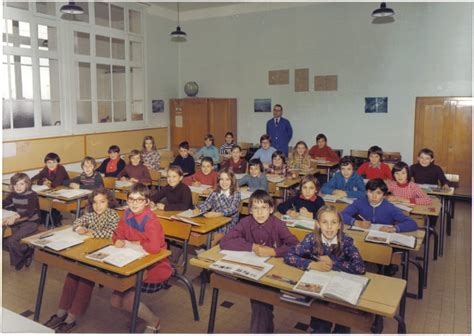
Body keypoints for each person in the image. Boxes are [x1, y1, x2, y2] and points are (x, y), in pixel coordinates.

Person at [220, 190, 298, 333]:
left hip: (274, 272)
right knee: (260, 302)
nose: (260, 212)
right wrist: (252, 246)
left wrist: (274, 251)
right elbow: (225, 241)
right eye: (255, 208)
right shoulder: (245, 222)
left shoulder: (278, 224)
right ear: (249, 210)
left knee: (260, 302)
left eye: (264, 208)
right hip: (252, 270)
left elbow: (295, 246)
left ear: (271, 209)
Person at [43, 188, 120, 332]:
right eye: (95, 202)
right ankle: (61, 312)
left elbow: (112, 232)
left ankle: (71, 318)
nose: (98, 206)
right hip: (87, 253)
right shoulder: (91, 215)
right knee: (72, 275)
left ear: (109, 202)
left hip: (103, 256)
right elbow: (77, 221)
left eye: (102, 202)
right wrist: (79, 228)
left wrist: (92, 233)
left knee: (85, 280)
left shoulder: (113, 215)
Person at [284, 205, 366, 333]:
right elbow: (289, 256)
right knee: (321, 322)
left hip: (341, 291)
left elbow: (360, 268)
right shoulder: (311, 239)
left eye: (333, 223)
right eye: (324, 222)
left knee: (342, 325)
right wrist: (312, 264)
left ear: (339, 225)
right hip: (319, 287)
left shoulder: (346, 241)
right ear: (318, 224)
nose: (329, 227)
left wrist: (333, 263)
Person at [110, 183, 172, 333]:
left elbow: (154, 248)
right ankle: (138, 317)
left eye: (139, 200)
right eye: (131, 199)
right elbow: (118, 232)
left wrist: (139, 242)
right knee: (115, 301)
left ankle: (154, 322)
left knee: (128, 301)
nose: (134, 203)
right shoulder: (127, 215)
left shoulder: (151, 221)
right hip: (132, 263)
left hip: (154, 269)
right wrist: (116, 240)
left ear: (147, 202)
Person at [341, 178, 417, 233]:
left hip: (382, 239)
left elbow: (412, 223)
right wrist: (356, 222)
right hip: (363, 235)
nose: (374, 196)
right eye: (371, 192)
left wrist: (394, 228)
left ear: (384, 195)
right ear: (366, 192)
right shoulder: (359, 203)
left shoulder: (389, 207)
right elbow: (341, 215)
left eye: (378, 193)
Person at [192, 169, 241, 244]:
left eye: (227, 179)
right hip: (214, 220)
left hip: (228, 223)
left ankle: (209, 247)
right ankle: (204, 246)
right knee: (197, 231)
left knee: (213, 238)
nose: (224, 182)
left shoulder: (236, 194)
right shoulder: (215, 192)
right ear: (218, 181)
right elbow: (207, 204)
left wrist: (218, 214)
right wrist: (199, 209)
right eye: (221, 179)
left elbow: (232, 208)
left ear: (232, 181)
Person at [2, 173, 39, 271]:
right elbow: (4, 203)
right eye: (16, 184)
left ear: (27, 184)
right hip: (18, 222)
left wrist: (15, 216)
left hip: (31, 222)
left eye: (21, 184)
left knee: (11, 241)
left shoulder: (32, 195)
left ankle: (19, 259)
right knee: (4, 241)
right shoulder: (13, 194)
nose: (18, 187)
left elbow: (29, 212)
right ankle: (26, 251)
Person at [32, 152, 69, 226]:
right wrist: (43, 182)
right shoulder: (46, 169)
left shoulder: (61, 169)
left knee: (48, 200)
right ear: (45, 163)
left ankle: (55, 221)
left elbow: (56, 184)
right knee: (39, 199)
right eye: (49, 162)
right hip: (52, 191)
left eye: (54, 162)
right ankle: (46, 220)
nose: (51, 165)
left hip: (64, 191)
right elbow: (34, 179)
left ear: (58, 163)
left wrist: (48, 182)